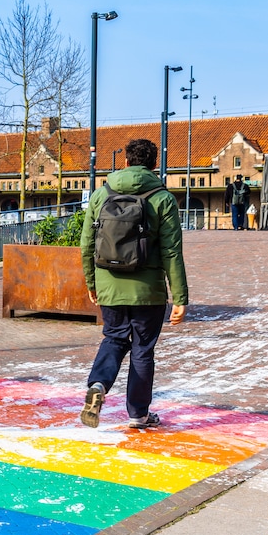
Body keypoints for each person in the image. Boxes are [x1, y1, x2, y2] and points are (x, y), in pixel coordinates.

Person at [79, 139, 188, 430]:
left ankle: (99, 385)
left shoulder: (101, 194)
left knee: (114, 338)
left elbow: (87, 243)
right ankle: (138, 414)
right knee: (142, 350)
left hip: (109, 283)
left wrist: (92, 282)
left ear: (125, 162)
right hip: (148, 291)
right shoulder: (162, 198)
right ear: (154, 165)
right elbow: (171, 252)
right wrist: (180, 297)